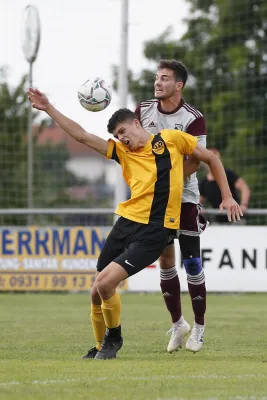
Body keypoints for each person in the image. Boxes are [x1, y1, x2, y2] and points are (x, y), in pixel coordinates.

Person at [28, 87, 242, 360]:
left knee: (105, 285)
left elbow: (210, 158)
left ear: (136, 123)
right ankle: (100, 347)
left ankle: (115, 338)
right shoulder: (122, 152)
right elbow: (81, 135)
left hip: (155, 230)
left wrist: (226, 196)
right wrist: (49, 109)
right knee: (96, 290)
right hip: (126, 223)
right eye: (117, 136)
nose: (121, 139)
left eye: (122, 132)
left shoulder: (172, 140)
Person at [135, 59, 208, 353]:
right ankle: (179, 325)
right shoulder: (143, 110)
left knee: (191, 262)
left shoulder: (193, 119)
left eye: (164, 78)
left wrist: (167, 178)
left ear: (179, 85)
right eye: (156, 77)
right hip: (156, 200)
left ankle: (199, 327)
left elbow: (196, 160)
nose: (158, 82)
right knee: (165, 261)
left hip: (185, 197)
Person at [199, 148, 251, 224]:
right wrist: (199, 209)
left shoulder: (228, 174)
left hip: (236, 219)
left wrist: (244, 204)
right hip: (218, 221)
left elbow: (244, 188)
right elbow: (199, 201)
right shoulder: (204, 182)